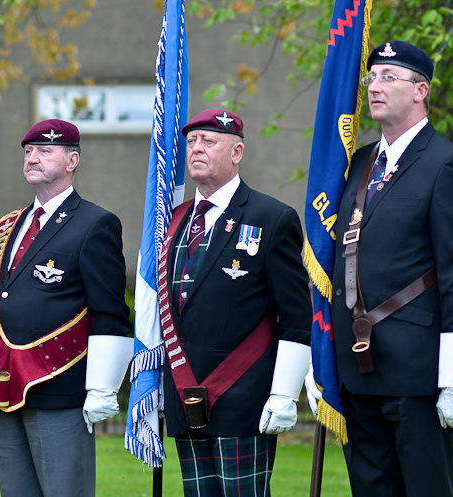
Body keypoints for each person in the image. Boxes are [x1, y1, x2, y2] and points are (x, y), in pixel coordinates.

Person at [313, 41, 453, 497]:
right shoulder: (358, 166)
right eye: (372, 77)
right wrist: (321, 356)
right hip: (358, 370)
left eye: (390, 76)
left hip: (417, 372)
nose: (375, 86)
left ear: (420, 91)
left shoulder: (449, 165)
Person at [0, 119, 134, 497]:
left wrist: (102, 387)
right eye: (28, 152)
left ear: (72, 160)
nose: (33, 158)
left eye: (45, 151)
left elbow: (110, 311)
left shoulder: (95, 223)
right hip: (6, 383)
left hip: (60, 383)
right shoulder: (10, 224)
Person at [160, 109, 312, 496]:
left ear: (237, 151)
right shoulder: (173, 221)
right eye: (192, 142)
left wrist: (283, 393)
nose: (197, 149)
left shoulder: (271, 218)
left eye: (209, 141)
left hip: (244, 397)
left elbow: (296, 315)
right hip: (185, 394)